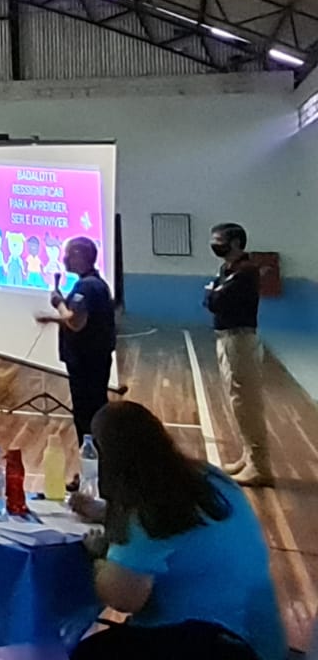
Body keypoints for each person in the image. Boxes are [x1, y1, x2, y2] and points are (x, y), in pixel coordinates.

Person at [68, 401, 282, 660]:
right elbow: (183, 533)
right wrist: (105, 511)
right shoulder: (207, 478)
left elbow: (123, 597)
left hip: (213, 645)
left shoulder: (150, 512)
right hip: (256, 638)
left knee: (87, 652)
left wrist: (97, 556)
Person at [204, 222, 270, 487]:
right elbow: (210, 299)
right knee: (236, 400)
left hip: (240, 340)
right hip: (226, 337)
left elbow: (216, 301)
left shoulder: (246, 271)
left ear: (234, 242)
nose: (215, 244)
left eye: (219, 239)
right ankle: (247, 455)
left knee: (246, 402)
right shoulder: (227, 269)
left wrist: (212, 293)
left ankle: (260, 465)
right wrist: (212, 293)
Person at [35, 235, 115, 447]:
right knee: (95, 412)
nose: (64, 259)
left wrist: (57, 305)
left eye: (68, 254)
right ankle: (97, 468)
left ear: (80, 256)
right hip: (95, 359)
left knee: (86, 416)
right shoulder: (96, 284)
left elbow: (75, 321)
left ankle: (93, 468)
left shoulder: (86, 287)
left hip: (86, 361)